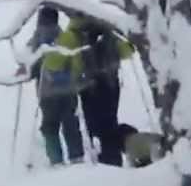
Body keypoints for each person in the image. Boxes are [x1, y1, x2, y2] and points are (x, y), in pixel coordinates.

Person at [52, 15, 136, 166]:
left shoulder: (71, 35)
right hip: (111, 84)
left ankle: (100, 163)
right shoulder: (107, 31)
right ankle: (113, 160)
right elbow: (128, 51)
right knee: (110, 123)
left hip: (88, 87)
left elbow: (54, 63)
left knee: (93, 126)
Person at [21, 6, 84, 166]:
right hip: (68, 90)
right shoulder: (66, 38)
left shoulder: (35, 41)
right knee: (70, 123)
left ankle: (56, 160)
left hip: (47, 92)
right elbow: (77, 62)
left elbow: (29, 69)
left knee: (50, 126)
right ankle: (77, 157)